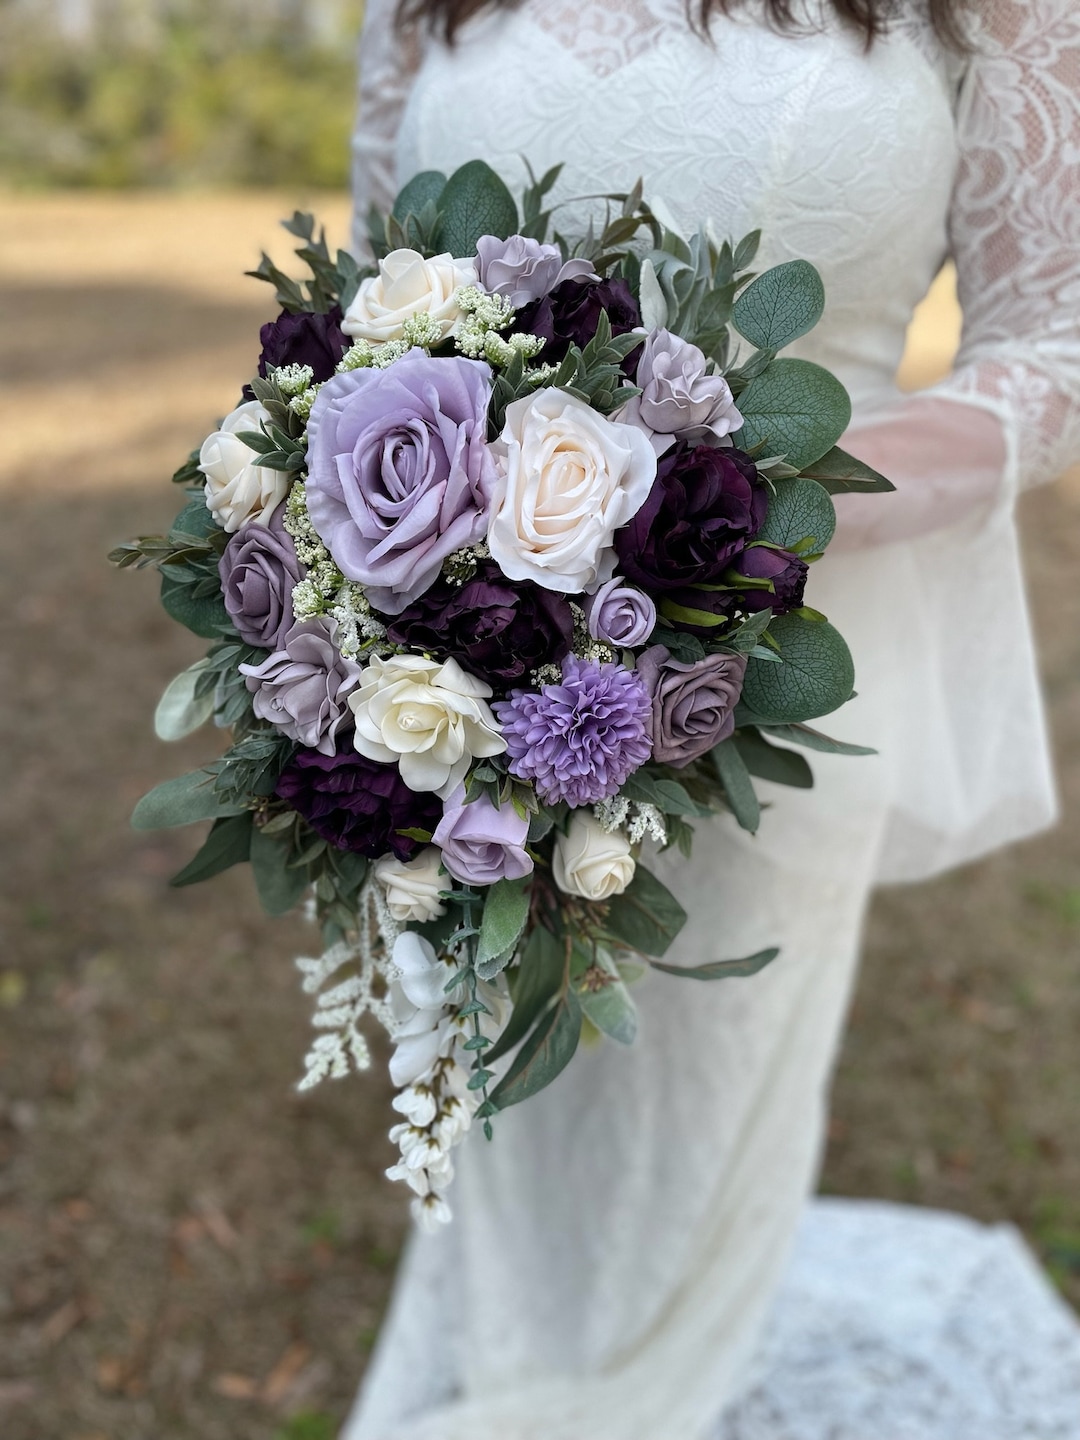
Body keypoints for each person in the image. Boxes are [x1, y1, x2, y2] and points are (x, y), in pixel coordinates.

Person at [341, 3, 1080, 1436]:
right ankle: (520, 1372)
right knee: (509, 1106)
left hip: (775, 654)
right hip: (455, 667)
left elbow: (1055, 339)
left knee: (700, 1113)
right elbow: (378, 298)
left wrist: (748, 488)